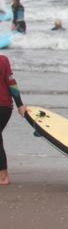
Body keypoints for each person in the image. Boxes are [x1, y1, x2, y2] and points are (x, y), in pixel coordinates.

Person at [0, 54, 27, 186]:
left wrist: (20, 105)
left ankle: (3, 176)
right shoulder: (3, 60)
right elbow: (12, 83)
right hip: (5, 108)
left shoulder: (2, 60)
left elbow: (11, 83)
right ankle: (2, 174)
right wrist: (19, 105)